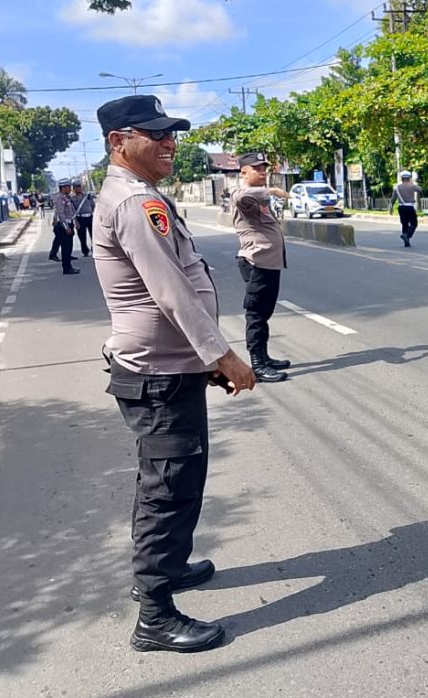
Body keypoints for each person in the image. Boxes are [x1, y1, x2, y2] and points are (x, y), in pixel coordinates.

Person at [94, 94, 256, 654]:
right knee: (168, 489)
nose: (170, 143)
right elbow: (171, 293)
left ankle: (170, 568)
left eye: (173, 134)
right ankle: (155, 616)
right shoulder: (137, 202)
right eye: (155, 134)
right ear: (119, 142)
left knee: (172, 481)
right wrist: (222, 356)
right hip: (158, 375)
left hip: (168, 369)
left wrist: (199, 362)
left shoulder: (139, 196)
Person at [232, 153, 291, 383]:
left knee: (264, 313)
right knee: (256, 314)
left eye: (264, 168)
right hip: (256, 263)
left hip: (269, 263)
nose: (263, 172)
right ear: (243, 172)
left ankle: (264, 358)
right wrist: (272, 191)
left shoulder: (258, 199)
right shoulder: (245, 195)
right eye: (257, 168)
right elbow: (240, 195)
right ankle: (257, 365)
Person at [50, 179, 79, 274]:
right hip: (63, 225)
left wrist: (75, 222)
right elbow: (61, 214)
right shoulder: (60, 198)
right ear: (63, 188)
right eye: (68, 187)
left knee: (69, 247)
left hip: (68, 223)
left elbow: (71, 212)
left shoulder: (66, 197)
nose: (70, 189)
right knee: (65, 248)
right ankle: (67, 268)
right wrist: (67, 227)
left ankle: (69, 266)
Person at [390, 170, 422, 247]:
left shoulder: (397, 187)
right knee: (414, 223)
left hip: (401, 208)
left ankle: (406, 241)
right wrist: (413, 182)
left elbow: (393, 198)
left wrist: (391, 208)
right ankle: (407, 235)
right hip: (410, 207)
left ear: (401, 178)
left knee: (404, 224)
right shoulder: (412, 186)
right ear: (409, 178)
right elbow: (420, 189)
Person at [71, 181, 95, 256]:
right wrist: (75, 221)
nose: (79, 188)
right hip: (80, 218)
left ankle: (94, 248)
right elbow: (72, 210)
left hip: (89, 217)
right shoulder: (72, 198)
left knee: (94, 235)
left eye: (80, 186)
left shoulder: (87, 196)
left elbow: (93, 205)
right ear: (74, 188)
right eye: (77, 187)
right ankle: (85, 250)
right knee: (82, 236)